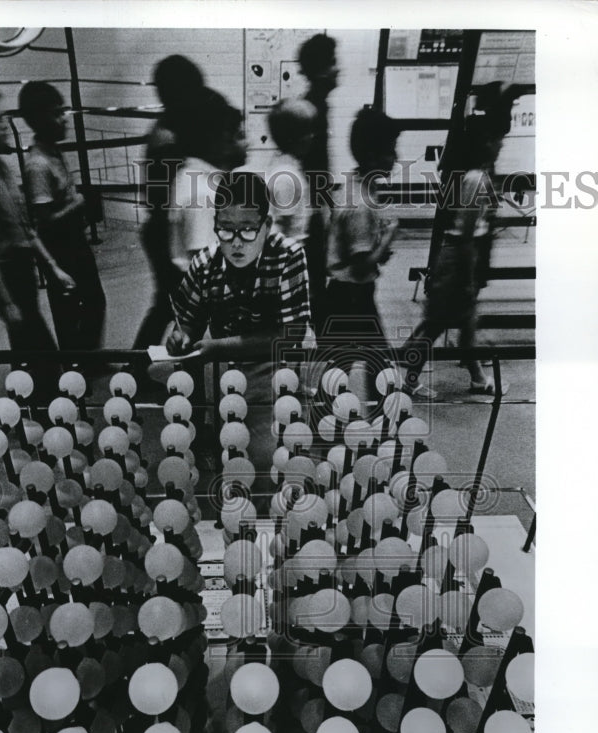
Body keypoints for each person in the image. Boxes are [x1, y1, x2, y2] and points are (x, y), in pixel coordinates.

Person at [165, 172, 312, 500]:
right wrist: (180, 337)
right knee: (233, 465)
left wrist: (217, 347)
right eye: (225, 229)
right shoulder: (204, 264)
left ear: (267, 224)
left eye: (247, 230)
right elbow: (187, 322)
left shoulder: (288, 257)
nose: (236, 241)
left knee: (270, 467)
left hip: (274, 375)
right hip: (226, 377)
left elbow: (291, 335)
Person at [0, 82, 74, 371]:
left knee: (27, 345)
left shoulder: (1, 167)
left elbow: (24, 227)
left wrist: (52, 266)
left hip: (20, 269)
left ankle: (29, 400)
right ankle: (40, 399)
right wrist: (7, 302)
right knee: (39, 347)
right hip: (4, 273)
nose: (6, 125)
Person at [400, 113, 510, 396]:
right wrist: (467, 276)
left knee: (464, 321)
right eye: (498, 140)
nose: (501, 145)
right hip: (458, 257)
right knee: (438, 323)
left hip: (458, 255)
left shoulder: (476, 176)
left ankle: (477, 377)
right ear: (486, 143)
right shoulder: (475, 180)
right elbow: (468, 232)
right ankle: (410, 380)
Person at [18, 81, 106, 351]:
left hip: (74, 241)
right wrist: (79, 204)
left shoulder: (53, 152)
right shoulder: (38, 165)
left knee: (94, 302)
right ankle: (74, 369)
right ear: (40, 119)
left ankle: (86, 360)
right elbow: (43, 220)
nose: (63, 118)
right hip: (60, 248)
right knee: (68, 311)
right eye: (57, 113)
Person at [324, 107, 401, 406]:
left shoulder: (356, 187)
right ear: (371, 157)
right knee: (376, 360)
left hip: (347, 292)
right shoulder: (360, 203)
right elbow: (361, 266)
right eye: (390, 151)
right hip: (352, 294)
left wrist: (378, 249)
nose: (395, 157)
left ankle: (330, 416)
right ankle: (381, 417)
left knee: (344, 363)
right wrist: (390, 235)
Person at [133, 55, 205, 350]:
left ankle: (139, 364)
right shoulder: (167, 139)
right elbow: (166, 198)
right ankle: (144, 365)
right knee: (175, 305)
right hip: (165, 232)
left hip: (163, 229)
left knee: (168, 304)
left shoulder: (168, 131)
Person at [168, 88, 247, 276]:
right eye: (239, 135)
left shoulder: (189, 177)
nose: (247, 143)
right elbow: (209, 269)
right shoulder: (204, 194)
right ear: (217, 141)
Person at [297, 33, 339, 332]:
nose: (339, 69)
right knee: (314, 283)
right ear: (322, 69)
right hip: (310, 209)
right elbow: (311, 167)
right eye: (333, 63)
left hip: (314, 206)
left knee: (316, 280)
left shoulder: (317, 105)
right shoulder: (312, 109)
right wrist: (323, 209)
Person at [263, 98, 317, 245]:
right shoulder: (287, 176)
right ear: (293, 137)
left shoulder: (283, 167)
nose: (312, 136)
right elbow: (282, 227)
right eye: (306, 131)